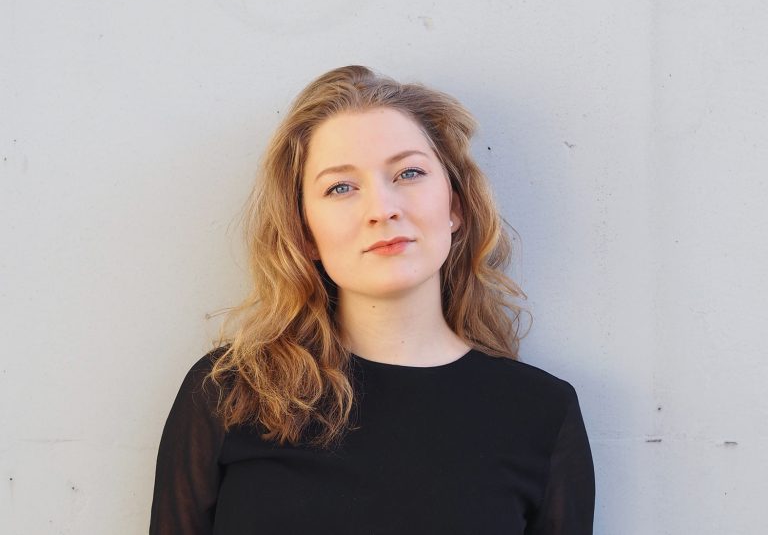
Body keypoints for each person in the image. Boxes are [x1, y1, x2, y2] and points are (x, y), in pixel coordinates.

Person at [149, 65, 595, 534]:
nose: (382, 209)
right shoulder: (230, 394)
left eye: (409, 173)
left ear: (455, 206)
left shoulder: (543, 413)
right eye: (340, 187)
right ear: (305, 234)